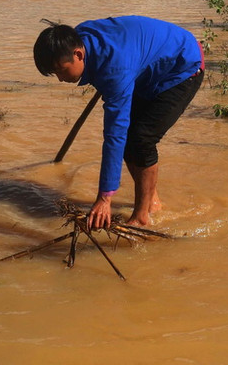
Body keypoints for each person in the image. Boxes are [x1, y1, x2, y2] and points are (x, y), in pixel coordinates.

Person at [33, 16, 204, 229]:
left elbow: (115, 134)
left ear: (78, 54)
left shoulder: (115, 70)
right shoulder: (81, 38)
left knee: (140, 140)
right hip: (144, 67)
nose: (60, 78)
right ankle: (152, 202)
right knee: (130, 142)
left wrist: (105, 198)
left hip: (182, 66)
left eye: (61, 70)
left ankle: (142, 217)